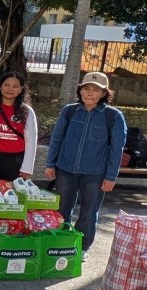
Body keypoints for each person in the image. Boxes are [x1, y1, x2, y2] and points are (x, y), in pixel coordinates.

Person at [45, 72, 126, 261]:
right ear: (80, 91)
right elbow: (57, 138)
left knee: (89, 211)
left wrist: (110, 176)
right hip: (66, 168)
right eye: (86, 89)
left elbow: (117, 148)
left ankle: (82, 246)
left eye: (96, 90)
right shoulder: (70, 111)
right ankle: (60, 242)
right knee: (62, 207)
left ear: (104, 93)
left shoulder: (113, 116)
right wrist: (51, 164)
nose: (90, 93)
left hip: (95, 173)